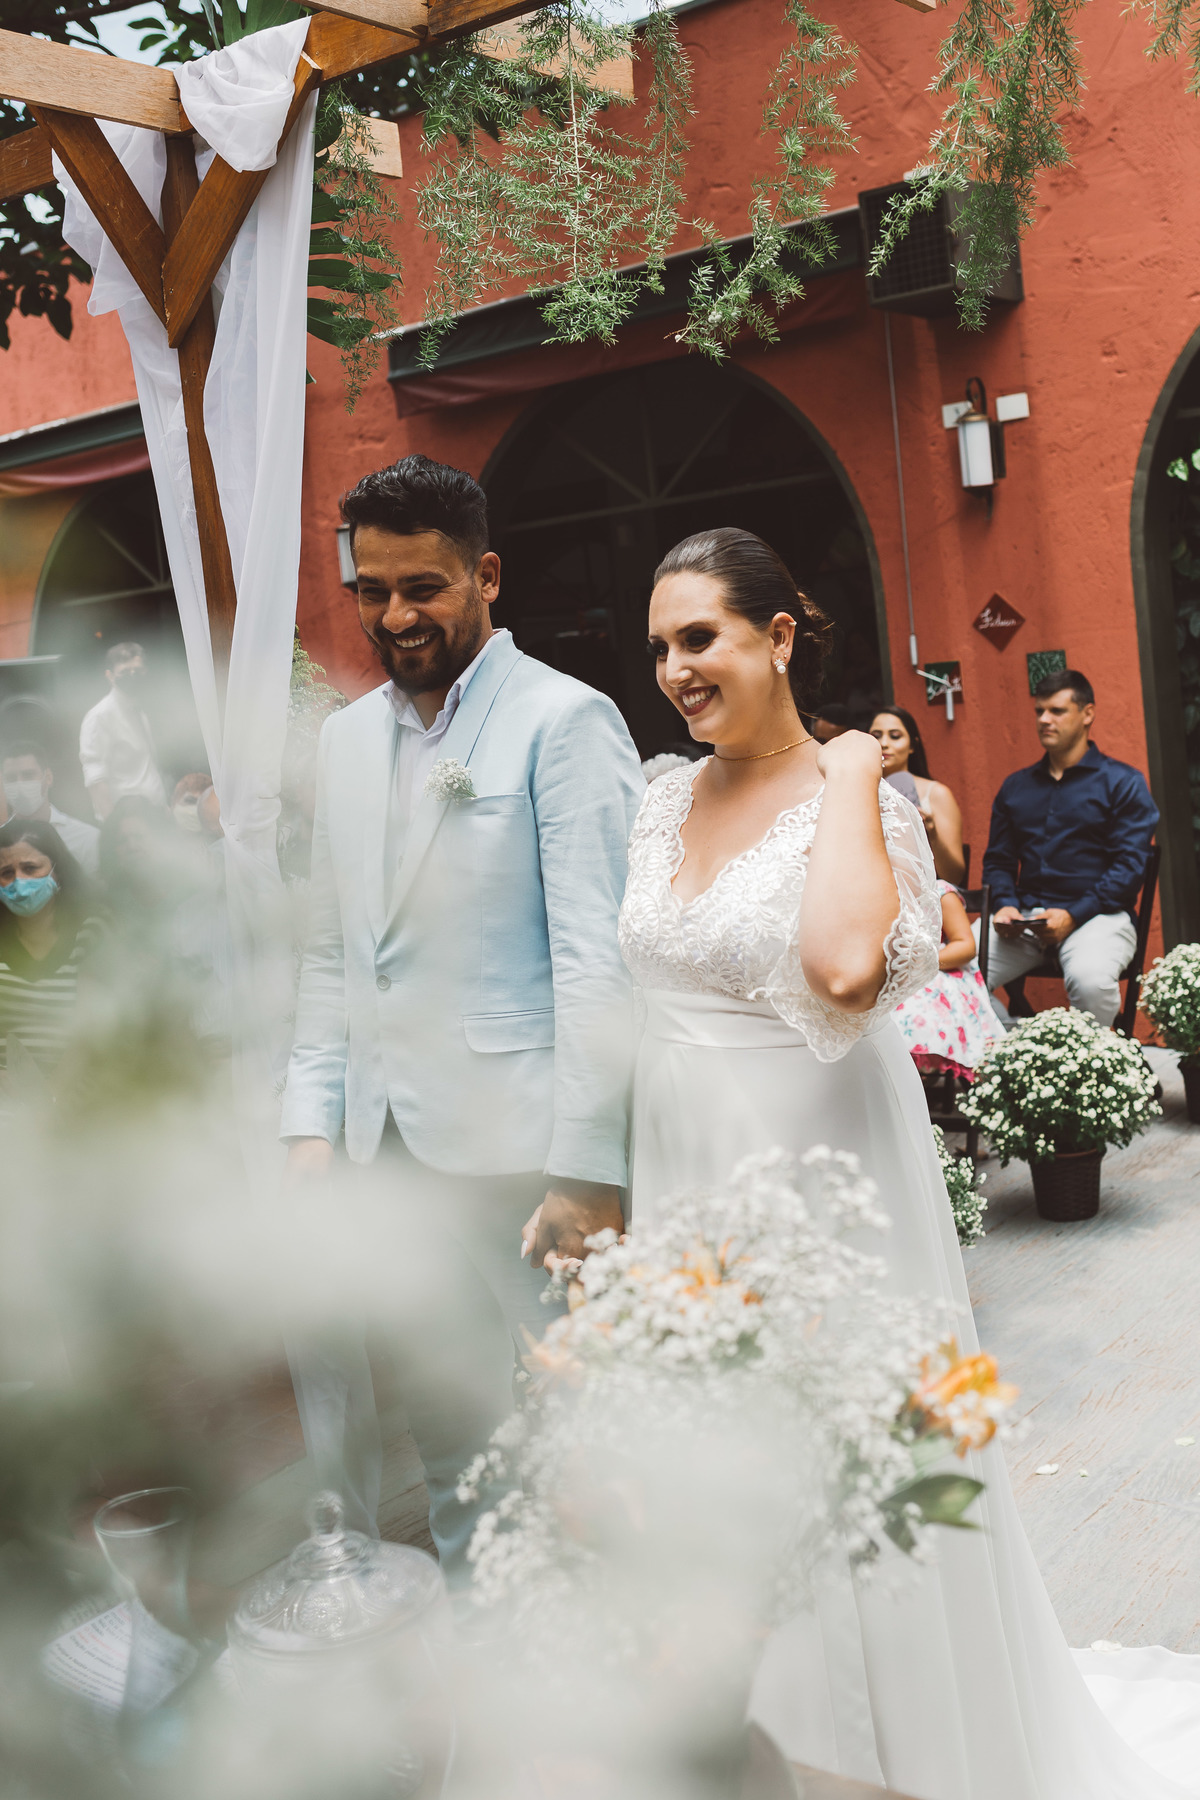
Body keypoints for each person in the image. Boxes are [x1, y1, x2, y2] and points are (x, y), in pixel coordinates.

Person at [617, 525, 1192, 1798]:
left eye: (701, 635)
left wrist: (838, 772)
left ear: (780, 635)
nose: (673, 668)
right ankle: (778, 1745)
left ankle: (912, 1756)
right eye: (658, 644)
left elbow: (835, 972)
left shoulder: (862, 802)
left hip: (818, 1172)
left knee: (855, 1459)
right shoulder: (660, 794)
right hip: (685, 1166)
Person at [279, 454, 645, 1569]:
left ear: (485, 576)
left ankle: (615, 1680)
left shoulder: (565, 722)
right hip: (383, 1150)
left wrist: (587, 1167)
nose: (395, 615)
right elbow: (337, 953)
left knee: (579, 1432)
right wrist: (309, 1120)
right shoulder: (342, 742)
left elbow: (600, 962)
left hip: (524, 1156)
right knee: (447, 1427)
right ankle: (487, 1658)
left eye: (423, 587)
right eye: (371, 589)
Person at [980, 670, 1159, 1028]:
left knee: (1091, 980)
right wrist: (1005, 905)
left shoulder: (1122, 783)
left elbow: (1129, 869)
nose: (1044, 719)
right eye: (1040, 711)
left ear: (1087, 714)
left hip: (1099, 917)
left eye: (1057, 711)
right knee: (946, 970)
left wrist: (1073, 915)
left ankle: (1093, 1072)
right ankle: (1018, 1052)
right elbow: (998, 860)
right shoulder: (1015, 787)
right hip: (1025, 921)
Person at [0, 818, 101, 1078]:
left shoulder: (89, 934)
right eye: (6, 873)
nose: (18, 882)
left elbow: (90, 1035)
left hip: (72, 1097)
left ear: (57, 870)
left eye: (30, 868)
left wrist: (52, 1097)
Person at [892, 878, 1001, 1076]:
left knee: (917, 1009)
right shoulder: (878, 889)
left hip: (934, 969)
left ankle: (912, 1080)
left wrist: (919, 963)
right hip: (887, 972)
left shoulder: (939, 890)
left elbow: (965, 946)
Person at [869, 705, 965, 885]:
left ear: (912, 746)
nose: (884, 743)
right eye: (876, 736)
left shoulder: (936, 793)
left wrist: (932, 834)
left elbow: (954, 876)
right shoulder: (860, 792)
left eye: (895, 736)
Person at [78, 641, 166, 822]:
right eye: (125, 672)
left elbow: (146, 767)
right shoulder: (99, 717)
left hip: (154, 817)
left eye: (138, 671)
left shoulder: (139, 709)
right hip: (128, 823)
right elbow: (96, 779)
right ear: (110, 676)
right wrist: (116, 829)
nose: (132, 676)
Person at [1, 739, 100, 875]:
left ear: (48, 778)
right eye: (11, 778)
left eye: (28, 775)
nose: (20, 785)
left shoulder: (86, 839)